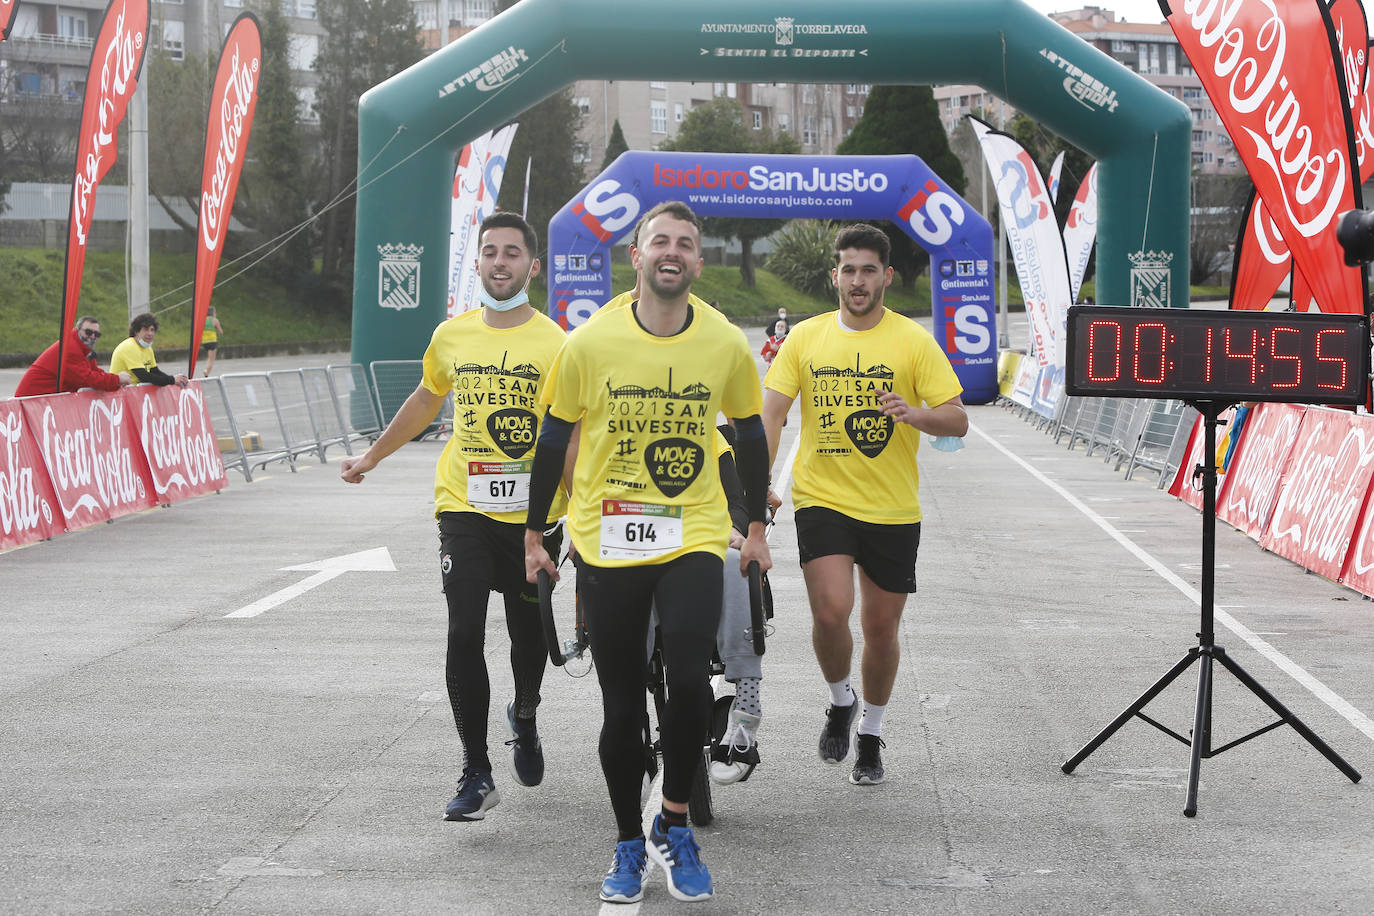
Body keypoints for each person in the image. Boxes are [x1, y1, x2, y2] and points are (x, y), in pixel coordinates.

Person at [524, 201, 771, 904]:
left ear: (699, 261)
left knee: (691, 680)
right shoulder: (589, 343)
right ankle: (627, 846)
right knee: (618, 703)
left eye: (685, 244)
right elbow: (551, 441)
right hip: (607, 532)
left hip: (690, 528)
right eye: (659, 241)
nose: (672, 251)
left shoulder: (724, 342)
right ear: (634, 257)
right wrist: (535, 534)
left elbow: (749, 436)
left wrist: (753, 529)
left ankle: (673, 822)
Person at [339, 211, 570, 822]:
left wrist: (583, 511)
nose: (500, 263)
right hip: (462, 507)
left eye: (513, 253)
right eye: (490, 252)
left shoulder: (556, 344)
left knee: (528, 641)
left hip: (533, 518)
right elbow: (425, 397)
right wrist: (373, 455)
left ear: (532, 266)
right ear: (477, 264)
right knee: (464, 631)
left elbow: (569, 437)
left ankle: (524, 715)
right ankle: (476, 769)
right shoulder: (452, 335)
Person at [762, 223, 968, 787]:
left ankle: (872, 733)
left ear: (886, 277)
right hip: (823, 499)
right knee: (830, 613)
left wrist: (915, 414)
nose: (857, 280)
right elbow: (773, 413)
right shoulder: (804, 338)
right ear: (835, 276)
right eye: (848, 269)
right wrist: (755, 475)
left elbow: (957, 418)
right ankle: (839, 699)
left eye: (868, 270)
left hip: (892, 508)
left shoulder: (911, 341)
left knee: (881, 629)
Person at [13, 316, 131, 396]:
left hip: (44, 400)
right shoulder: (71, 349)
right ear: (78, 330)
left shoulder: (84, 349)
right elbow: (87, 379)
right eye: (88, 332)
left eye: (96, 334)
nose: (92, 336)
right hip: (32, 400)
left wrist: (115, 381)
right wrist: (117, 379)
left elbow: (95, 372)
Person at [109, 313, 189, 388]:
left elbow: (155, 372)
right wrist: (172, 380)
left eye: (152, 330)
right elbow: (144, 376)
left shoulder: (148, 348)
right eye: (145, 329)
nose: (150, 333)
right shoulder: (130, 346)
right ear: (136, 331)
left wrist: (174, 379)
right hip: (119, 393)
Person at [200, 307, 225, 377]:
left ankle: (206, 371)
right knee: (212, 359)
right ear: (213, 313)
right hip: (212, 341)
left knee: (209, 357)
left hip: (205, 342)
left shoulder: (202, 320)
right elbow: (221, 332)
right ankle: (206, 372)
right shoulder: (215, 320)